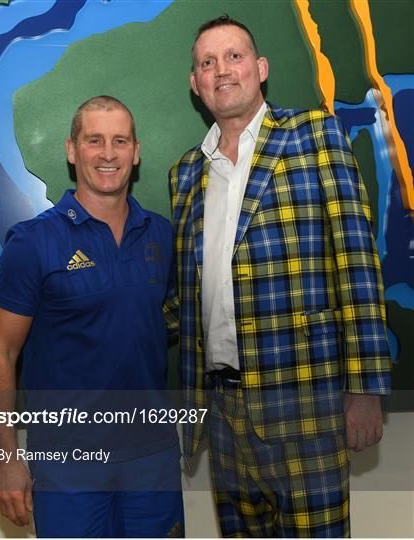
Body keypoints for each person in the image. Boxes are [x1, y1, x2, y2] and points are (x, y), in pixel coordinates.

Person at [169, 15, 391, 538]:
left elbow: (357, 262)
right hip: (222, 412)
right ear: (195, 84)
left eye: (234, 56)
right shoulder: (185, 173)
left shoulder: (314, 134)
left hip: (307, 404)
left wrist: (365, 389)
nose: (222, 70)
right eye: (207, 63)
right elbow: (184, 295)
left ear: (261, 69)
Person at [0, 96, 184, 538]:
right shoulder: (33, 243)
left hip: (153, 456)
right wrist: (7, 461)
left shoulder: (161, 235)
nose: (108, 154)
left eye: (119, 141)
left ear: (136, 151)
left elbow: (154, 324)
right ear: (72, 150)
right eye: (94, 141)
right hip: (68, 463)